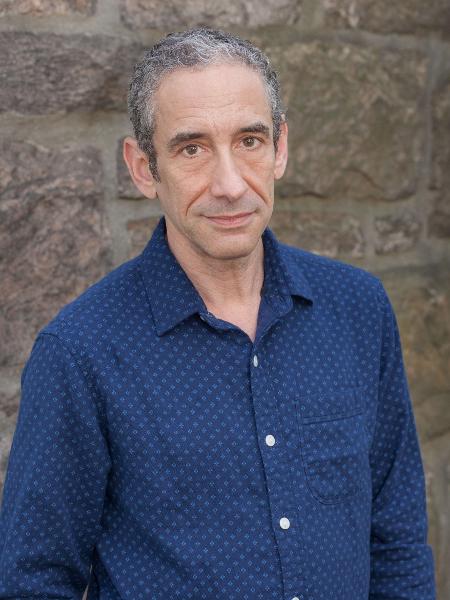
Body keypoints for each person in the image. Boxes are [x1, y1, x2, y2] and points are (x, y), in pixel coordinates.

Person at [0, 28, 436, 600]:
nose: (229, 185)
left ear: (280, 148)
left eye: (249, 141)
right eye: (192, 149)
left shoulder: (358, 309)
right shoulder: (81, 353)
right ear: (143, 167)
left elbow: (397, 541)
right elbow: (32, 581)